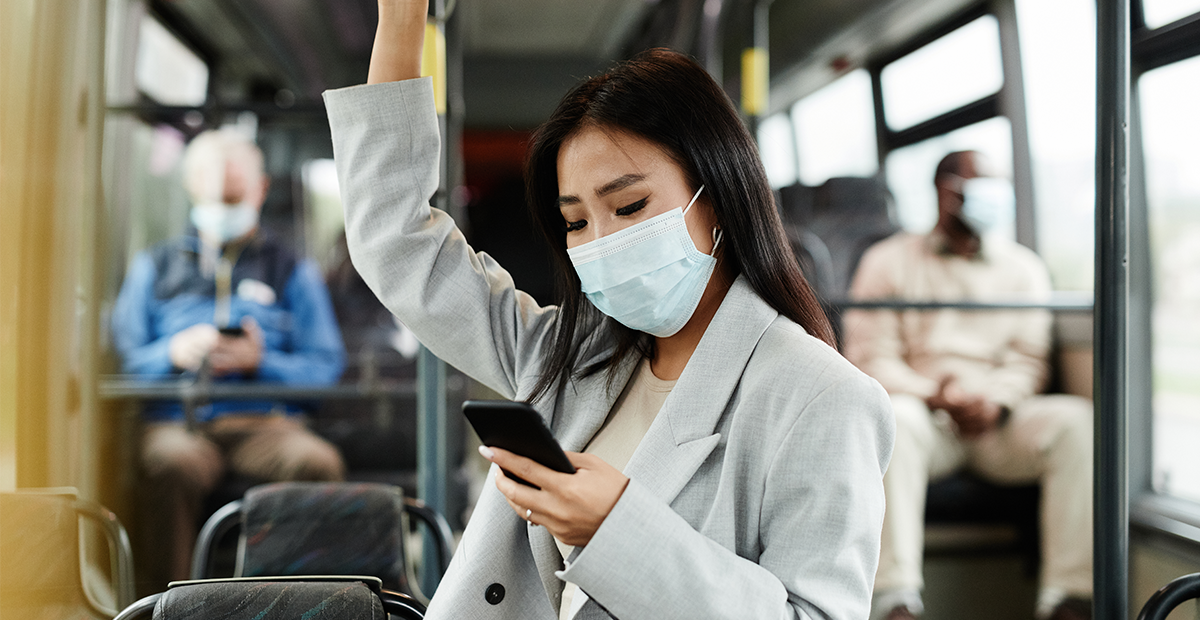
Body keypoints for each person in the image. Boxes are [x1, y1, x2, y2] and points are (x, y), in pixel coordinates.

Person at [322, 2, 894, 618]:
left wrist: (616, 531)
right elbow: (399, 242)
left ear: (719, 199)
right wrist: (402, 15)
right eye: (575, 221)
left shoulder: (822, 396)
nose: (600, 243)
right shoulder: (566, 357)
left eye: (628, 208)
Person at [842, 151, 1093, 620]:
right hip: (925, 414)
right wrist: (935, 392)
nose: (998, 200)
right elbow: (871, 358)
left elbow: (1028, 360)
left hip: (998, 422)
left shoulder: (1024, 269)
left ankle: (1067, 598)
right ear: (947, 192)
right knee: (890, 418)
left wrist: (996, 402)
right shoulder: (887, 262)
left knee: (1077, 423)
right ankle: (896, 599)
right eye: (985, 187)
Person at [111, 128, 347, 588]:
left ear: (260, 191)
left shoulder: (292, 268)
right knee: (171, 465)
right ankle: (164, 605)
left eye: (235, 197)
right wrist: (173, 352)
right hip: (179, 423)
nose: (225, 208)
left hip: (265, 425)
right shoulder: (153, 266)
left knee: (316, 463)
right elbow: (125, 360)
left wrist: (260, 362)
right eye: (217, 196)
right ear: (192, 188)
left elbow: (325, 365)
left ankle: (288, 603)